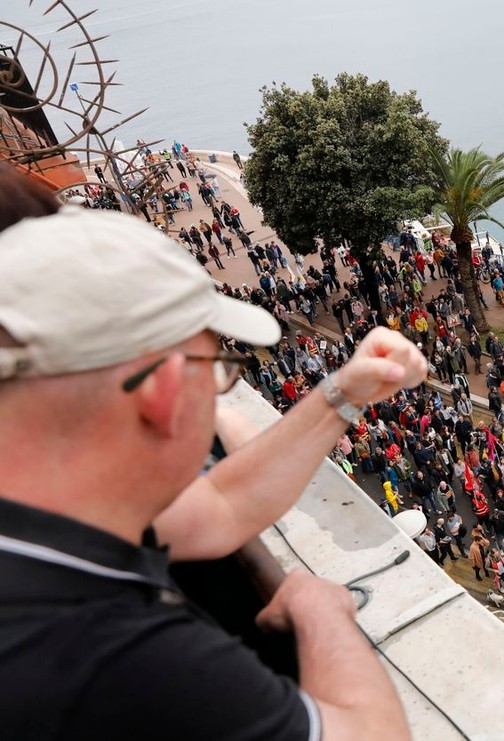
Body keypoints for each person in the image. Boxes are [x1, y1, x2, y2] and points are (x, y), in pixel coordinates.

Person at [0, 198, 427, 738]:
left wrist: (346, 393)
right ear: (166, 390)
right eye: (218, 367)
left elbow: (221, 507)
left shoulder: (50, 516)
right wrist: (321, 612)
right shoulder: (116, 653)